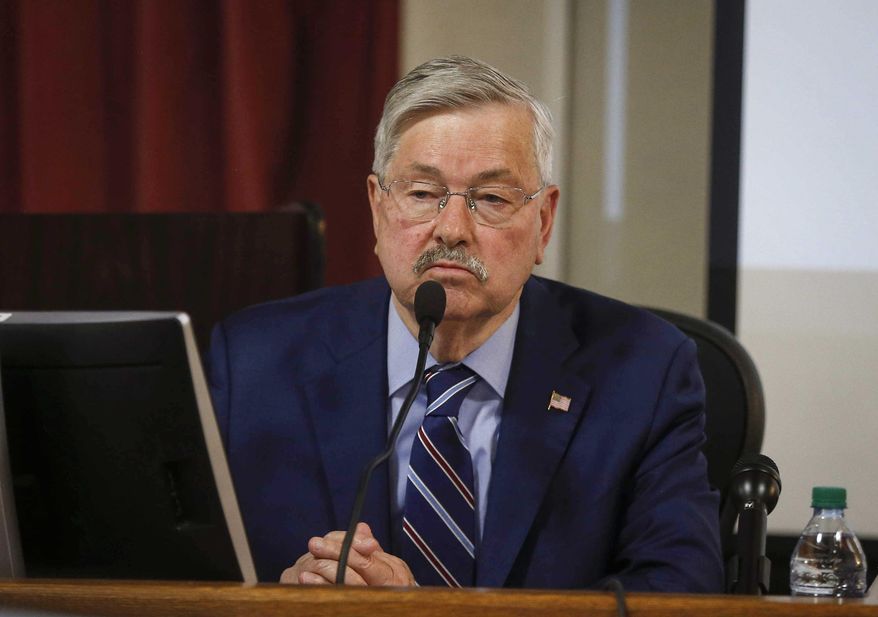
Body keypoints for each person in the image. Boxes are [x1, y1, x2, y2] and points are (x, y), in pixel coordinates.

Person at [207, 56, 723, 592]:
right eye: (423, 194)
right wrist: (276, 604)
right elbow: (174, 576)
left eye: (492, 199)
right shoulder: (252, 364)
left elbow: (681, 589)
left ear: (543, 223)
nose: (451, 229)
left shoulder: (644, 369)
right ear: (378, 209)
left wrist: (426, 613)